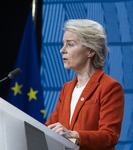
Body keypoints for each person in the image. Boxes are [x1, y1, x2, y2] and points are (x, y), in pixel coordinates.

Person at [45, 19, 124, 150]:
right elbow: (50, 127)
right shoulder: (67, 88)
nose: (62, 50)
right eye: (63, 44)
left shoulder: (109, 87)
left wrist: (74, 135)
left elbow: (109, 136)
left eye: (70, 44)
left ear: (90, 51)